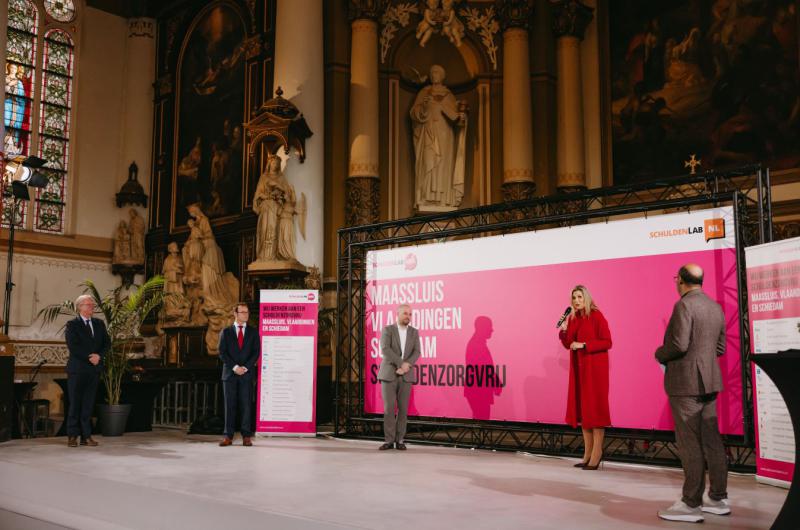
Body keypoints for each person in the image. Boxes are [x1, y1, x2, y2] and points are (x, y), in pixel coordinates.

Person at [656, 264, 729, 523]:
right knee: (711, 439)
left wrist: (658, 353)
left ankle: (690, 503)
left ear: (682, 282)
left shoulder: (684, 305)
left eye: (676, 278)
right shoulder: (715, 307)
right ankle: (718, 498)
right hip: (710, 380)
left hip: (686, 383)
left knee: (689, 442)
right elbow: (719, 348)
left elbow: (678, 344)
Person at [558, 285, 612, 470]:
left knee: (595, 411)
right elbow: (568, 344)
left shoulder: (596, 316)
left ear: (586, 298)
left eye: (580, 297)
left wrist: (584, 345)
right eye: (574, 297)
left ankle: (597, 454)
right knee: (583, 411)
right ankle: (587, 454)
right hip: (579, 370)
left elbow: (607, 341)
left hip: (595, 371)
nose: (576, 301)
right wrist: (564, 331)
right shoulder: (574, 318)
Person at [64, 294, 110, 447]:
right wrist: (89, 357)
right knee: (75, 403)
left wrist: (99, 356)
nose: (92, 307)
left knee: (88, 404)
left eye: (92, 304)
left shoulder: (99, 323)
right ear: (80, 307)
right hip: (77, 369)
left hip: (94, 370)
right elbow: (73, 346)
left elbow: (106, 344)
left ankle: (86, 436)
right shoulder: (72, 324)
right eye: (88, 304)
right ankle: (72, 436)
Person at [378, 304, 421, 450]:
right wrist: (401, 363)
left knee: (403, 409)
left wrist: (406, 365)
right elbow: (385, 349)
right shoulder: (388, 329)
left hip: (406, 375)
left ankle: (400, 440)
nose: (408, 317)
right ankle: (389, 440)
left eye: (410, 314)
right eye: (405, 314)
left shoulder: (414, 332)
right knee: (389, 408)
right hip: (389, 373)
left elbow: (417, 352)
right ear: (397, 314)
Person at [218, 303, 259, 447]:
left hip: (246, 375)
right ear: (235, 314)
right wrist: (235, 367)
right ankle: (228, 436)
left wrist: (245, 368)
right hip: (229, 375)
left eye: (247, 312)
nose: (246, 315)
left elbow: (256, 353)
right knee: (229, 406)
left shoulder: (253, 332)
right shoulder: (226, 332)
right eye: (242, 312)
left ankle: (246, 436)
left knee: (246, 406)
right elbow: (222, 353)